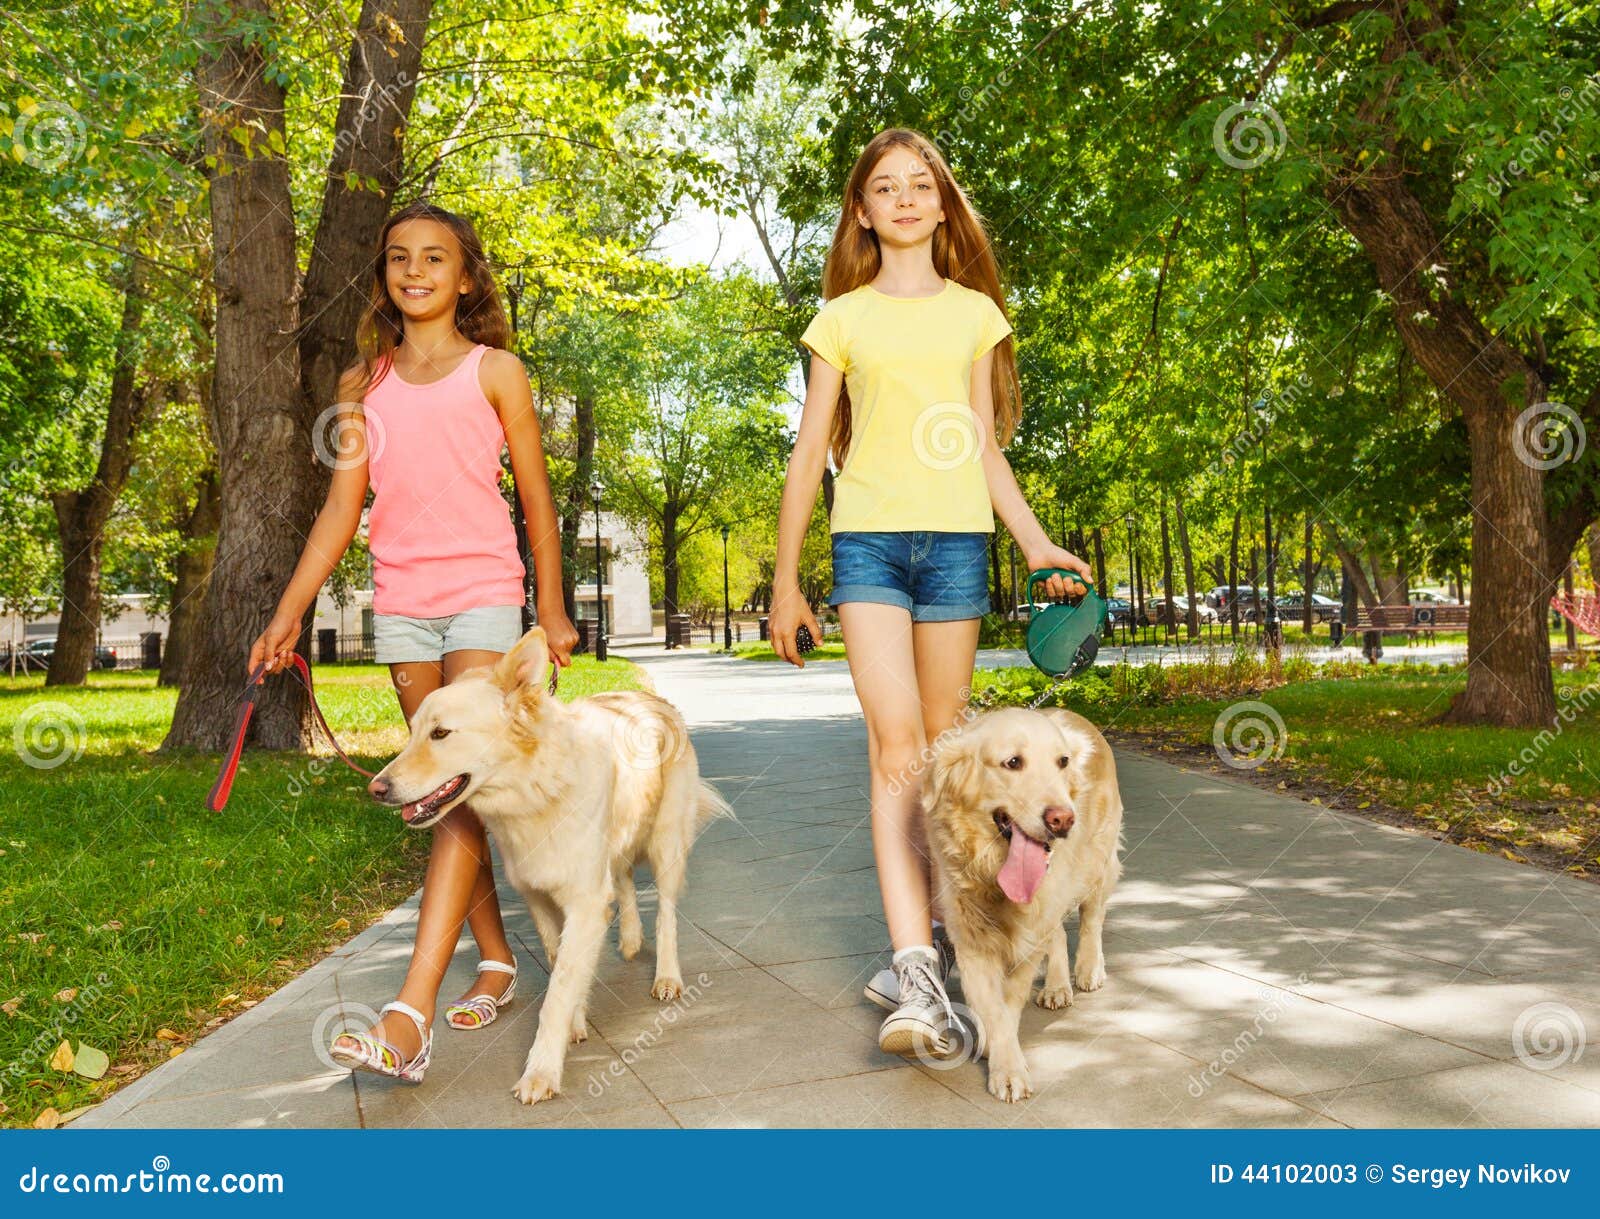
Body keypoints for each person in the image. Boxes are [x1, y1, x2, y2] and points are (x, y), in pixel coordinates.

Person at [767, 128, 1091, 1058]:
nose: (905, 198)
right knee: (895, 746)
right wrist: (789, 582)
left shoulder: (976, 316)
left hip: (958, 546)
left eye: (921, 185)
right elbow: (807, 455)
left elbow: (985, 445)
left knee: (949, 756)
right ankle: (915, 972)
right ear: (862, 211)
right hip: (866, 541)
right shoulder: (840, 319)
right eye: (884, 186)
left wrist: (1036, 545)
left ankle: (949, 934)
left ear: (942, 205)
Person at [247, 200, 579, 1083]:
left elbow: (538, 505)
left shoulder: (497, 371)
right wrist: (289, 611)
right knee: (441, 790)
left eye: (436, 258)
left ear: (465, 276)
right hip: (403, 604)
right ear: (385, 275)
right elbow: (338, 512)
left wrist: (549, 607)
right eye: (400, 257)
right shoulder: (364, 386)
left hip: (482, 595)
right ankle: (500, 960)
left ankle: (409, 1011)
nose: (416, 270)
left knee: (459, 776)